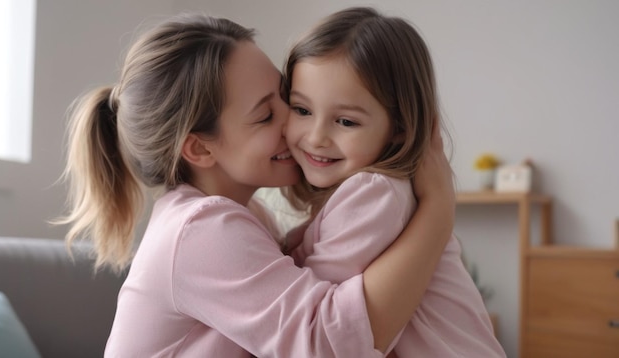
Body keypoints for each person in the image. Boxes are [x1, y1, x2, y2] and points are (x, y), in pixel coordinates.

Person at [56, 12, 455, 357]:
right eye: (266, 115)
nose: (295, 124)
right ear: (199, 148)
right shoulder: (201, 230)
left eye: (288, 98)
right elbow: (326, 347)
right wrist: (437, 210)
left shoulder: (245, 215)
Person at [283, 7, 506, 357]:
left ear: (399, 128)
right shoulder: (361, 189)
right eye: (301, 110)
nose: (316, 137)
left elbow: (312, 308)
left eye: (345, 121)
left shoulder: (374, 193)